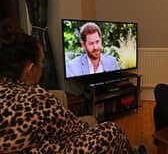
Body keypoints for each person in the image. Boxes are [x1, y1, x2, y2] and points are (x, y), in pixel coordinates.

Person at [0, 19, 145, 154]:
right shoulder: (42, 96)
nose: (96, 47)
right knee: (111, 129)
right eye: (41, 62)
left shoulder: (112, 61)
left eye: (98, 42)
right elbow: (78, 127)